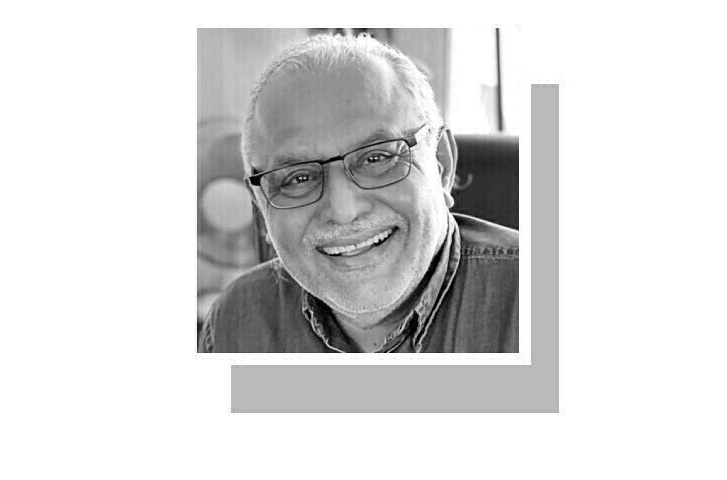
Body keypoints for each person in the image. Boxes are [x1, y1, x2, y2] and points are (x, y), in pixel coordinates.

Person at [198, 34, 519, 353]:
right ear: (260, 207)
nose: (343, 211)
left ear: (441, 164)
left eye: (376, 159)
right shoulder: (235, 324)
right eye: (298, 178)